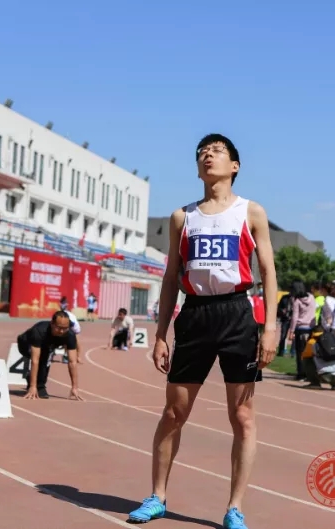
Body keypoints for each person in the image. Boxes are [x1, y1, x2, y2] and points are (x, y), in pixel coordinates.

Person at [127, 133, 277, 529]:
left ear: (235, 166)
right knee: (174, 412)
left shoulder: (251, 212)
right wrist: (161, 334)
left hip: (237, 315)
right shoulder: (183, 217)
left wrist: (270, 328)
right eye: (202, 153)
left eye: (217, 151)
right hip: (194, 315)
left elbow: (268, 272)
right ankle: (157, 496)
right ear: (197, 169)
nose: (208, 156)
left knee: (242, 416)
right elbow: (170, 277)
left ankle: (235, 508)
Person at [17, 311, 84, 400]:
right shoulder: (39, 331)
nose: (61, 331)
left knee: (46, 358)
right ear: (52, 324)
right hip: (26, 344)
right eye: (59, 328)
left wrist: (74, 387)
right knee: (42, 359)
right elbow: (35, 361)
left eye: (65, 328)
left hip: (47, 345)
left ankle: (38, 383)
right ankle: (37, 384)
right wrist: (33, 386)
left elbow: (72, 362)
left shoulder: (70, 335)